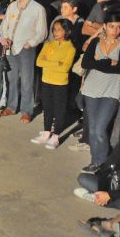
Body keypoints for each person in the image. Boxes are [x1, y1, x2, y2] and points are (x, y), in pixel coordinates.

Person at [0, 0, 48, 123]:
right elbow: (4, 25)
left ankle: (26, 111)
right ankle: (11, 106)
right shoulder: (12, 6)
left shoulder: (38, 9)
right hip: (11, 47)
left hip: (26, 49)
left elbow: (42, 31)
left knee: (26, 81)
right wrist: (4, 38)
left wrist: (30, 43)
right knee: (11, 79)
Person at [79, 12, 120, 174]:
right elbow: (86, 62)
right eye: (111, 26)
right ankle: (95, 161)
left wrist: (98, 63)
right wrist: (109, 62)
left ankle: (104, 164)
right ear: (105, 26)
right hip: (91, 89)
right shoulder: (95, 41)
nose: (115, 30)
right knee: (93, 129)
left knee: (100, 129)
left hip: (112, 91)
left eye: (118, 27)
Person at [30, 19, 76, 149]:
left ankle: (55, 137)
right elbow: (39, 62)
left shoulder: (70, 48)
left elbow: (65, 68)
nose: (56, 32)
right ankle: (46, 133)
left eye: (59, 29)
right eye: (54, 29)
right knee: (48, 108)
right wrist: (56, 63)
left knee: (59, 110)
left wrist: (49, 62)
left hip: (60, 83)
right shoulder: (48, 44)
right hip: (46, 81)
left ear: (67, 31)